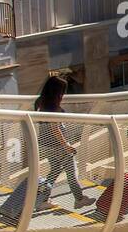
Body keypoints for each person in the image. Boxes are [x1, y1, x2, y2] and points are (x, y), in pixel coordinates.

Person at [34, 74, 91, 207]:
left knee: (54, 170)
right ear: (57, 92)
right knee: (71, 172)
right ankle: (79, 199)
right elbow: (55, 129)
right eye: (62, 92)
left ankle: (43, 200)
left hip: (44, 144)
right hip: (58, 146)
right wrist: (66, 145)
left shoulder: (39, 102)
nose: (63, 95)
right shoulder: (54, 108)